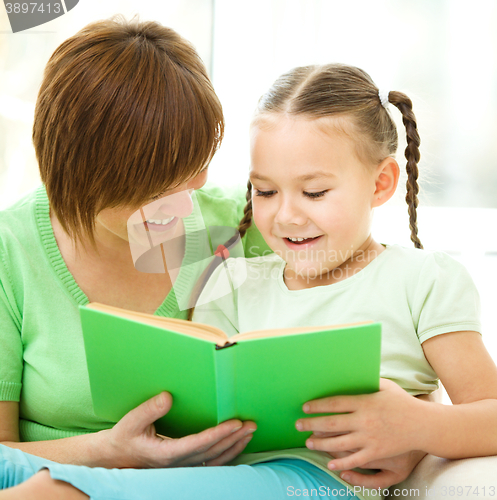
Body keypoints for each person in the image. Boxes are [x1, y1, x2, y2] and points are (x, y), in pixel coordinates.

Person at [0, 19, 423, 500]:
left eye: (193, 170)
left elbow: (389, 333)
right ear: (77, 176)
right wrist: (110, 449)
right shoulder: (10, 252)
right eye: (155, 187)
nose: (185, 202)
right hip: (53, 467)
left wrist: (411, 436)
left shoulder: (248, 225)